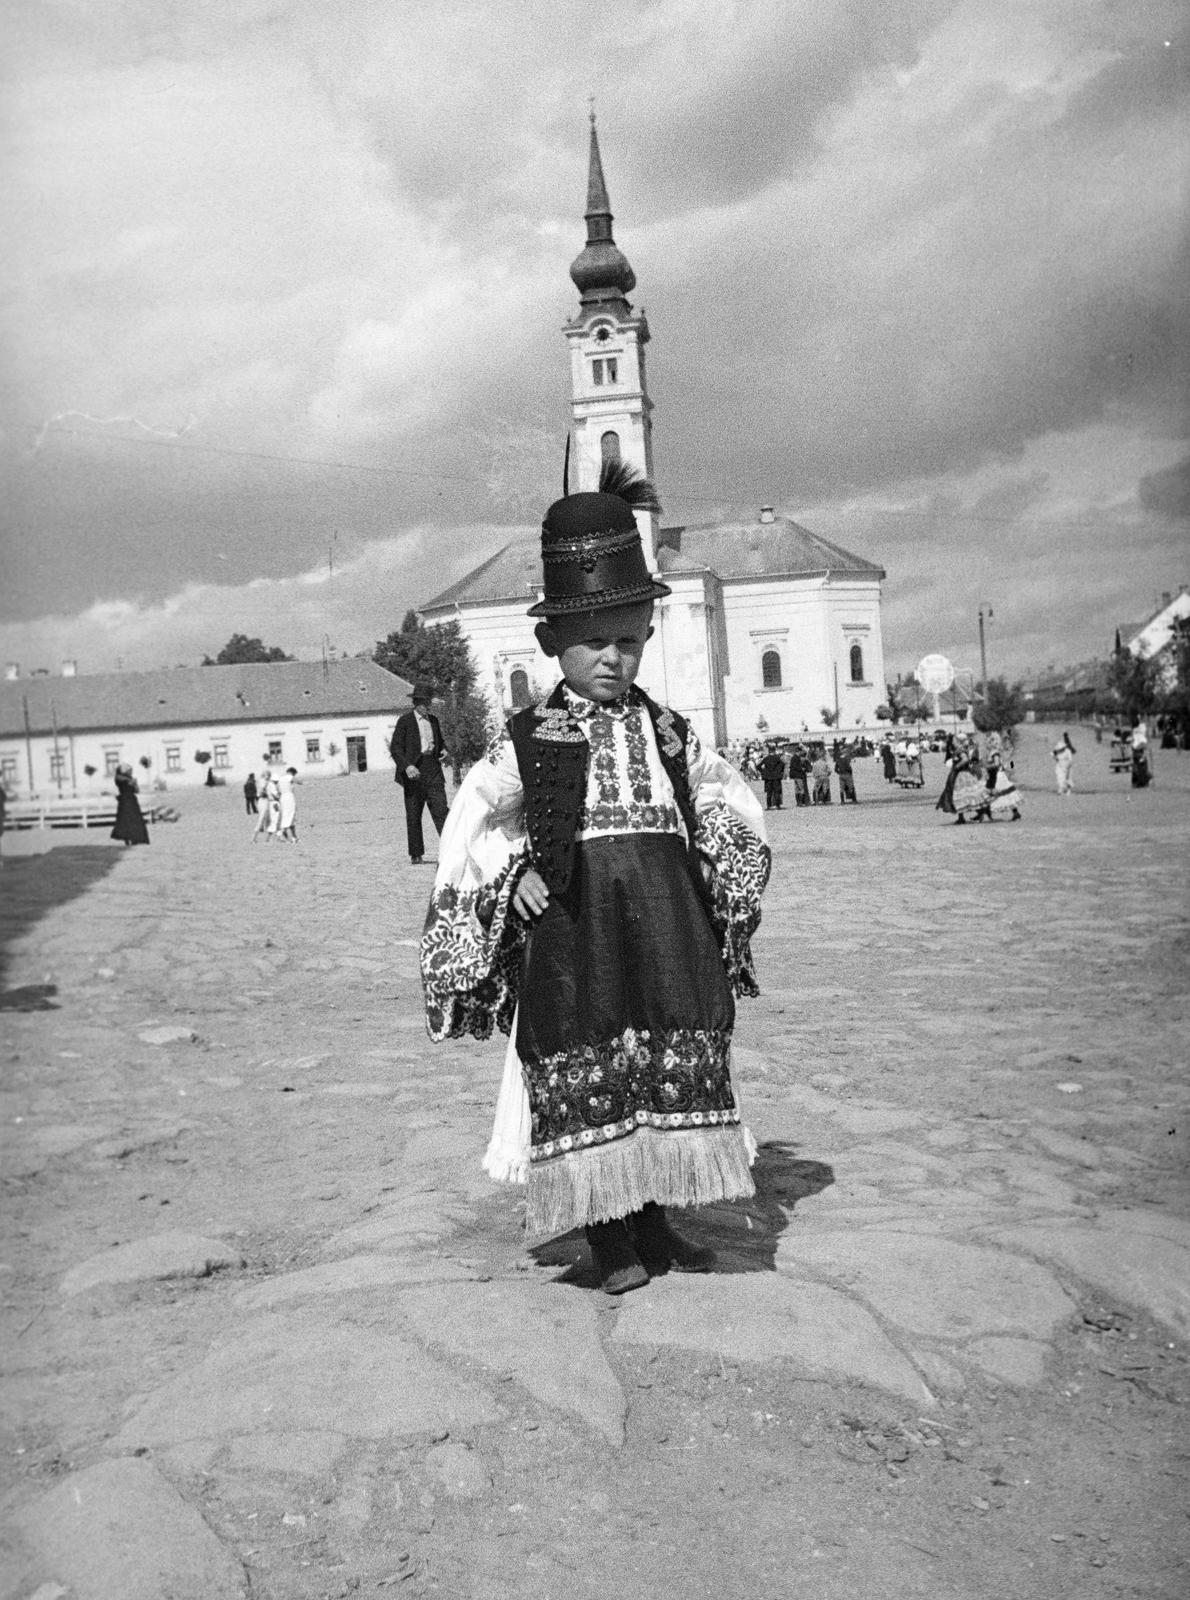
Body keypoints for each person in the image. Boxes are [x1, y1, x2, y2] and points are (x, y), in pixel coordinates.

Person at [420, 463, 770, 1295]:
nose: (614, 658)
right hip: (577, 930)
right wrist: (515, 877)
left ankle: (658, 1219)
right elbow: (475, 823)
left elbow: (723, 797)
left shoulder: (669, 732)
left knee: (663, 1062)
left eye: (629, 640)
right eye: (594, 642)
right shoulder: (527, 739)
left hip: (665, 922)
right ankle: (609, 1237)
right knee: (592, 1067)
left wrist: (715, 861)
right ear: (551, 643)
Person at [391, 685, 450, 864]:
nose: (427, 706)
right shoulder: (405, 721)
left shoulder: (434, 720)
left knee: (441, 810)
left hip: (433, 768)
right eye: (424, 703)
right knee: (414, 814)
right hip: (413, 772)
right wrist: (407, 766)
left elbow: (440, 742)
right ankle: (416, 854)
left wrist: (444, 750)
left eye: (428, 702)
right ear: (416, 703)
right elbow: (395, 748)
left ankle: (450, 850)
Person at [110, 764, 150, 846]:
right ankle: (126, 838)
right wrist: (130, 780)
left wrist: (135, 784)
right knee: (125, 820)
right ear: (125, 771)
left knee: (134, 819)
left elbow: (137, 791)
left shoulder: (130, 779)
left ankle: (134, 838)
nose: (131, 772)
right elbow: (118, 778)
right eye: (129, 770)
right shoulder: (120, 778)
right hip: (124, 801)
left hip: (132, 800)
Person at [758, 743, 786, 810]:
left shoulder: (766, 758)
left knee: (769, 793)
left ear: (769, 751)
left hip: (768, 778)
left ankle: (769, 806)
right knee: (777, 792)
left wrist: (763, 772)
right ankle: (777, 806)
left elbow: (758, 766)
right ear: (774, 751)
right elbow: (783, 765)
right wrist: (779, 771)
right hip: (776, 777)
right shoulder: (777, 758)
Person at [277, 767, 300, 842]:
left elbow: (278, 791)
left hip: (282, 797)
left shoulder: (280, 779)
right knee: (290, 815)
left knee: (288, 816)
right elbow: (299, 782)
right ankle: (281, 832)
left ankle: (294, 837)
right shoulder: (289, 777)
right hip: (289, 797)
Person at [1052, 730, 1076, 795]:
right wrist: (1056, 759)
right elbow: (1053, 756)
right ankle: (1061, 789)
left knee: (1068, 778)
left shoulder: (1068, 751)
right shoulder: (1057, 752)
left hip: (1067, 766)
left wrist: (1068, 767)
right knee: (1060, 778)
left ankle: (1068, 790)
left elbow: (1070, 760)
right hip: (1059, 766)